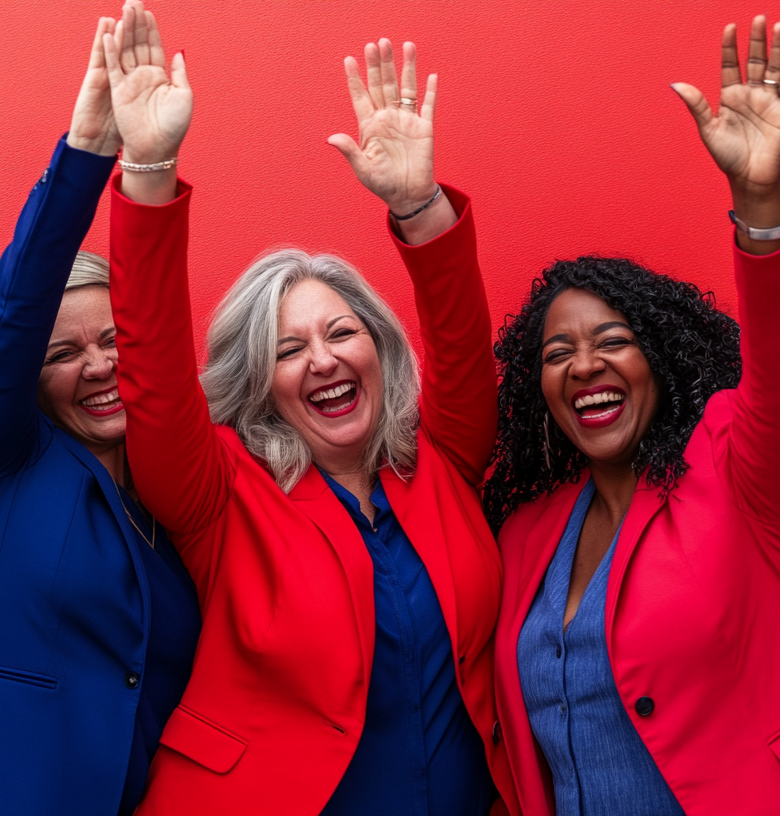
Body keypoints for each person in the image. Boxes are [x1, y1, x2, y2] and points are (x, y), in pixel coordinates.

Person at [485, 17, 780, 816]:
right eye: (558, 354)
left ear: (660, 361)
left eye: (613, 341)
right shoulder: (529, 536)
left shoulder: (739, 467)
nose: (584, 364)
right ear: (538, 390)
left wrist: (759, 204)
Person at [102, 6, 517, 814]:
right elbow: (150, 365)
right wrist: (148, 171)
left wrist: (418, 203)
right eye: (288, 351)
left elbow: (464, 347)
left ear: (381, 348)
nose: (323, 359)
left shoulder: (439, 461)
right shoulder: (218, 492)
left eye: (341, 333)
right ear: (260, 384)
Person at [0, 13, 200, 816]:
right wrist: (91, 151)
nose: (99, 365)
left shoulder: (178, 498)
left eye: (113, 340)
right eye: (64, 354)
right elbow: (15, 312)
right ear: (29, 381)